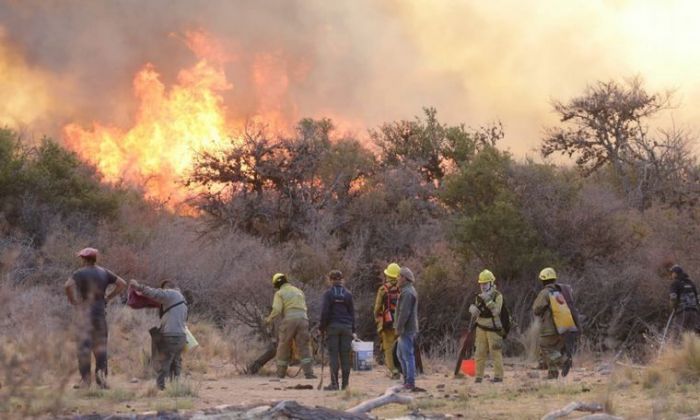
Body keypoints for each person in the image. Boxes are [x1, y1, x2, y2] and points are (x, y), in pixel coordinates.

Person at [64, 247, 127, 389]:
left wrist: (73, 300)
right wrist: (108, 297)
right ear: (95, 258)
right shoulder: (104, 272)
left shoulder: (79, 273)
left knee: (83, 348)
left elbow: (67, 285)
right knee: (101, 348)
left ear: (83, 259)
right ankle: (102, 381)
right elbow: (122, 283)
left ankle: (85, 382)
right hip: (99, 314)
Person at [129, 279, 189, 390]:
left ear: (167, 288)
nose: (162, 292)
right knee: (176, 363)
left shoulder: (171, 294)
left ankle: (160, 387)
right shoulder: (182, 300)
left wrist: (138, 286)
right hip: (181, 337)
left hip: (171, 336)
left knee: (164, 362)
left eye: (163, 290)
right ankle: (176, 388)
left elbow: (155, 293)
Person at [265, 273, 316, 379]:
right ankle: (309, 374)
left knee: (283, 346)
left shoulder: (280, 293)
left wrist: (268, 319)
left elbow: (277, 310)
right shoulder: (299, 291)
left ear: (277, 284)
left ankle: (280, 374)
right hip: (303, 320)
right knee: (304, 347)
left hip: (290, 320)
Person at [532, 267, 577, 379]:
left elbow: (536, 309)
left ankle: (564, 361)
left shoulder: (545, 292)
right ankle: (552, 374)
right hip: (563, 326)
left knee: (545, 348)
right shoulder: (561, 291)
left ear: (543, 280)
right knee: (554, 349)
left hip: (549, 327)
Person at [319, 270, 356, 390]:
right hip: (347, 328)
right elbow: (352, 313)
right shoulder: (348, 294)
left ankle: (334, 384)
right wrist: (353, 329)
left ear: (330, 280)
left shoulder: (328, 294)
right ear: (342, 279)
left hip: (333, 327)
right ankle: (345, 385)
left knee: (334, 355)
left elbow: (325, 312)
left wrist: (322, 327)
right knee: (345, 356)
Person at [469, 269, 505, 383]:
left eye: (485, 283)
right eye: (481, 284)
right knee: (479, 353)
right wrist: (473, 309)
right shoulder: (479, 297)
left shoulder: (498, 296)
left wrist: (488, 299)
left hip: (494, 329)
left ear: (491, 283)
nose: (483, 286)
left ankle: (498, 377)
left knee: (495, 352)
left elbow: (496, 311)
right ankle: (478, 377)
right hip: (481, 328)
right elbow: (476, 313)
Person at [374, 262, 401, 379]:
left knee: (388, 348)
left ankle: (394, 371)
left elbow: (377, 308)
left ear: (388, 275)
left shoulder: (383, 289)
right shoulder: (403, 288)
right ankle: (404, 368)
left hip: (388, 323)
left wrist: (378, 321)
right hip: (401, 323)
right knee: (402, 347)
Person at [395, 266, 419, 391]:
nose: (397, 279)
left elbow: (404, 313)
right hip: (407, 328)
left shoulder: (407, 293)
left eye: (399, 276)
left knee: (407, 355)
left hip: (406, 329)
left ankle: (410, 382)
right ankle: (407, 380)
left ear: (404, 278)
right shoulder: (407, 291)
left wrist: (398, 328)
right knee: (400, 354)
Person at [668, 265, 700, 336]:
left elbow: (673, 298)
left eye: (672, 273)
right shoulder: (691, 283)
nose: (671, 275)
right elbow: (698, 298)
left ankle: (675, 347)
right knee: (693, 335)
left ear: (676, 273)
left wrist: (673, 308)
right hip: (694, 313)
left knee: (676, 335)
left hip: (682, 312)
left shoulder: (675, 283)